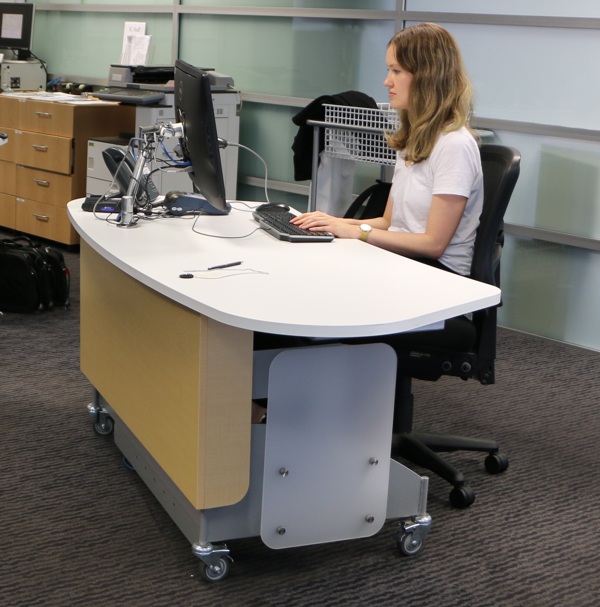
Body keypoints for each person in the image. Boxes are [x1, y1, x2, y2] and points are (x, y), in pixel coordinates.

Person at [291, 22, 483, 277]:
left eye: (397, 71)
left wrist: (356, 232)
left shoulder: (454, 145)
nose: (386, 81)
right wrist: (334, 223)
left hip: (438, 275)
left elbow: (433, 245)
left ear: (427, 77)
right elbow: (389, 222)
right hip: (404, 262)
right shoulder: (414, 139)